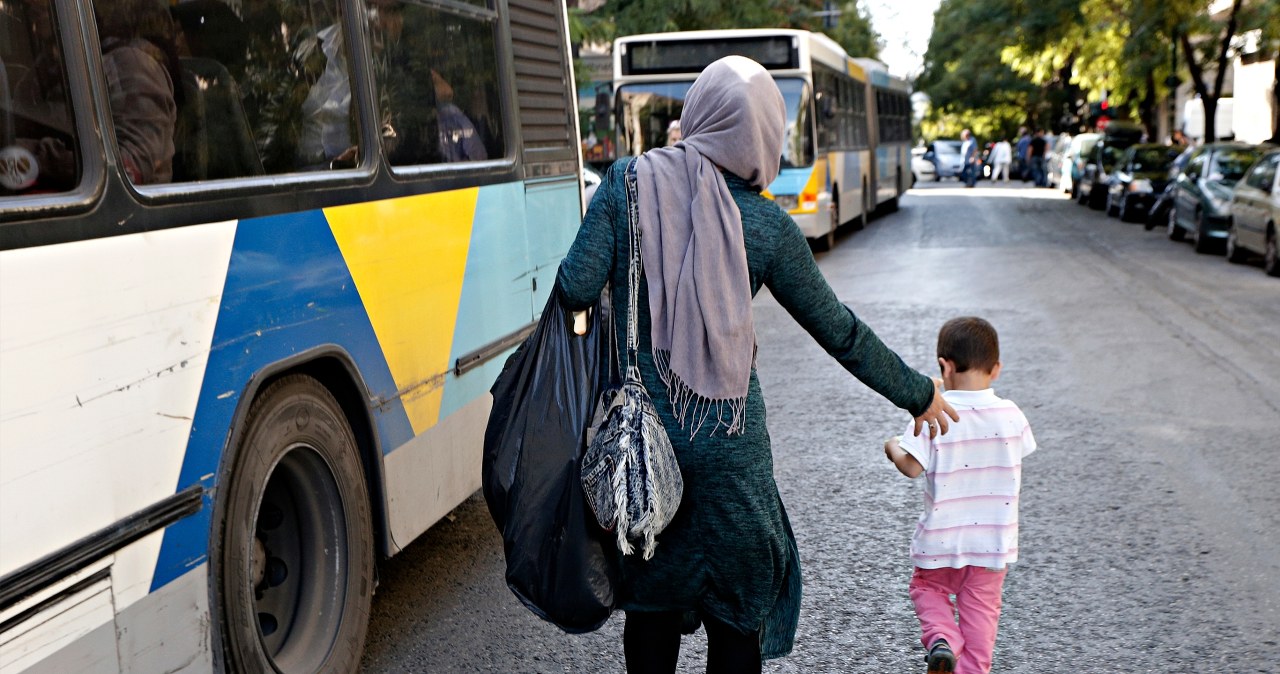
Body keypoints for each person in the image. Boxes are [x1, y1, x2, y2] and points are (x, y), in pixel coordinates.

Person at [556, 56, 959, 673]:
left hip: (639, 450)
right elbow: (840, 332)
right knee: (737, 617)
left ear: (697, 114)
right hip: (730, 452)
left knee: (651, 612)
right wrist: (917, 393)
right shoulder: (768, 225)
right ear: (765, 135)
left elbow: (577, 287)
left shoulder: (625, 187)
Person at [883, 317, 1037, 674]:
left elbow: (910, 467)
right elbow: (1021, 449)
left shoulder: (934, 413)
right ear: (995, 369)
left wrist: (892, 445)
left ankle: (942, 640)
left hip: (941, 542)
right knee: (982, 616)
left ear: (944, 366)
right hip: (991, 546)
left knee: (928, 589)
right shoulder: (1012, 415)